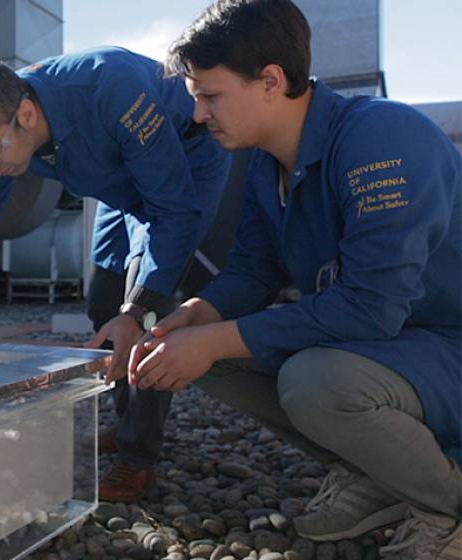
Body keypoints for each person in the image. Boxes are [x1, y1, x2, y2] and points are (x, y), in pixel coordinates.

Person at [129, 0, 461, 556]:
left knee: (317, 382)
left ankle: (446, 503)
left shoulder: (382, 138)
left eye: (210, 96)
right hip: (397, 349)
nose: (199, 115)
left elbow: (371, 308)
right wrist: (188, 321)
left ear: (270, 81)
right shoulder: (267, 163)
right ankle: (375, 473)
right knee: (198, 356)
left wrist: (210, 339)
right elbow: (253, 270)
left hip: (447, 344)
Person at [0, 47, 231, 502]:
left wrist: (138, 306)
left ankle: (139, 458)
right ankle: (126, 424)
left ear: (25, 113)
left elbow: (172, 210)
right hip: (116, 189)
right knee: (102, 304)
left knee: (145, 316)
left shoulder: (113, 88)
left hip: (179, 166)